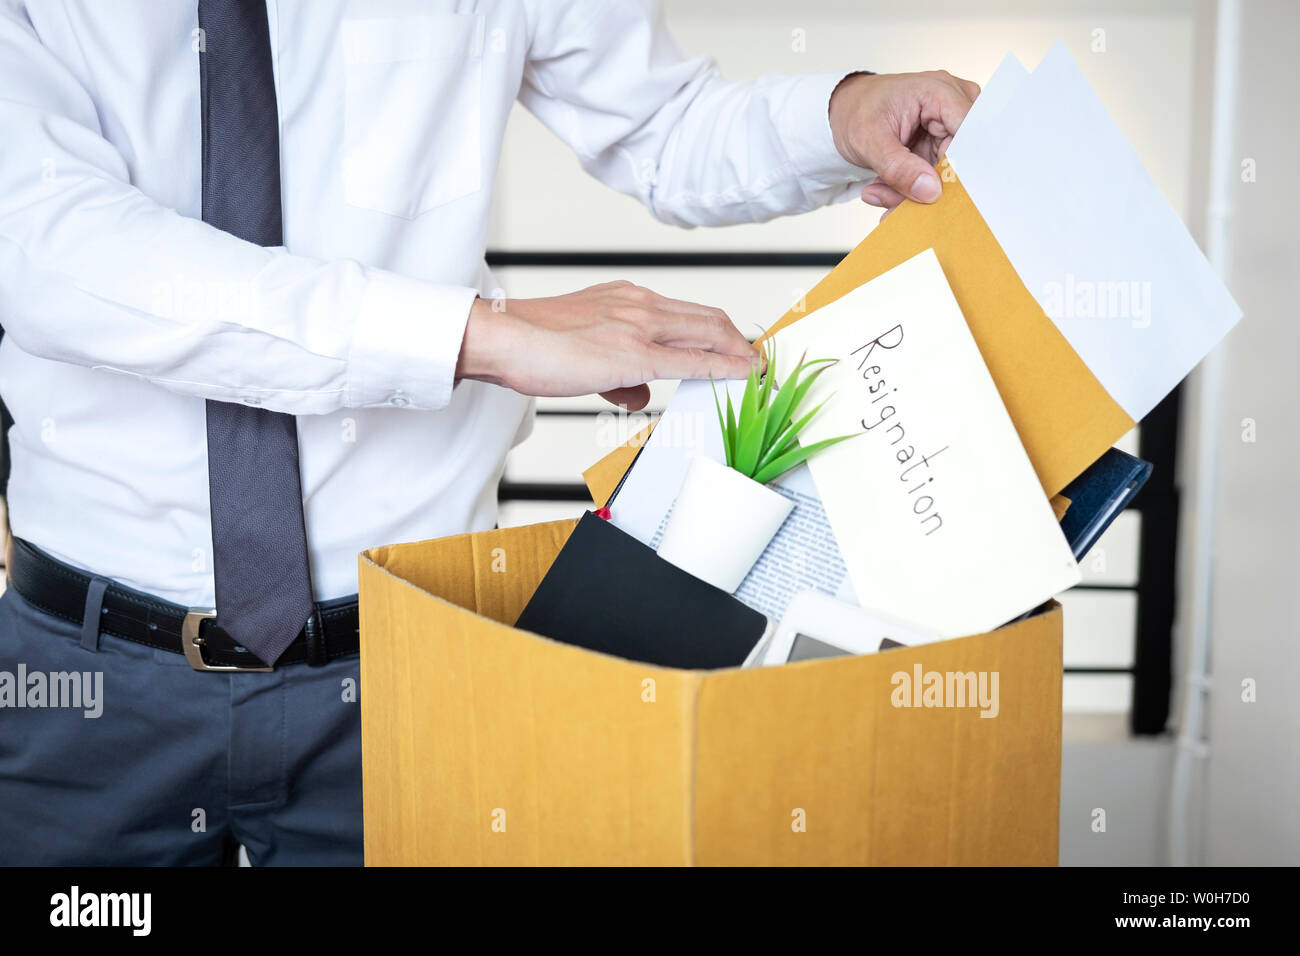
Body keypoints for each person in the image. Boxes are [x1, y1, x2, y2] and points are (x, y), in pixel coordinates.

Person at [0, 0, 978, 865]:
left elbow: (662, 119)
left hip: (412, 660)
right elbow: (50, 245)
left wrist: (839, 117)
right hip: (84, 681)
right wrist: (473, 339)